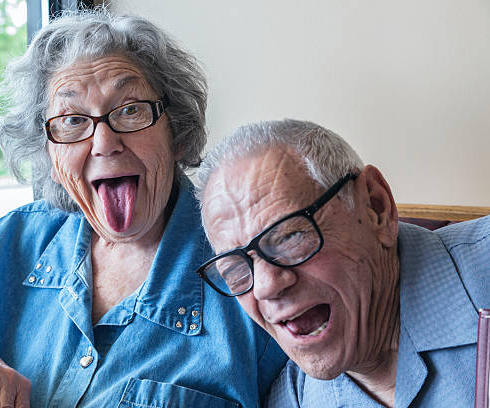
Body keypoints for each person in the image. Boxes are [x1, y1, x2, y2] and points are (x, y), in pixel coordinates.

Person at [0, 10, 286, 407]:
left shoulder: (251, 270)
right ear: (51, 159)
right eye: (72, 120)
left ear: (176, 133)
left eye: (130, 110)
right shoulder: (15, 242)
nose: (104, 142)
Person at [194, 118, 490, 407]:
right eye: (235, 270)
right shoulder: (294, 400)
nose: (266, 287)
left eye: (289, 236)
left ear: (376, 207)